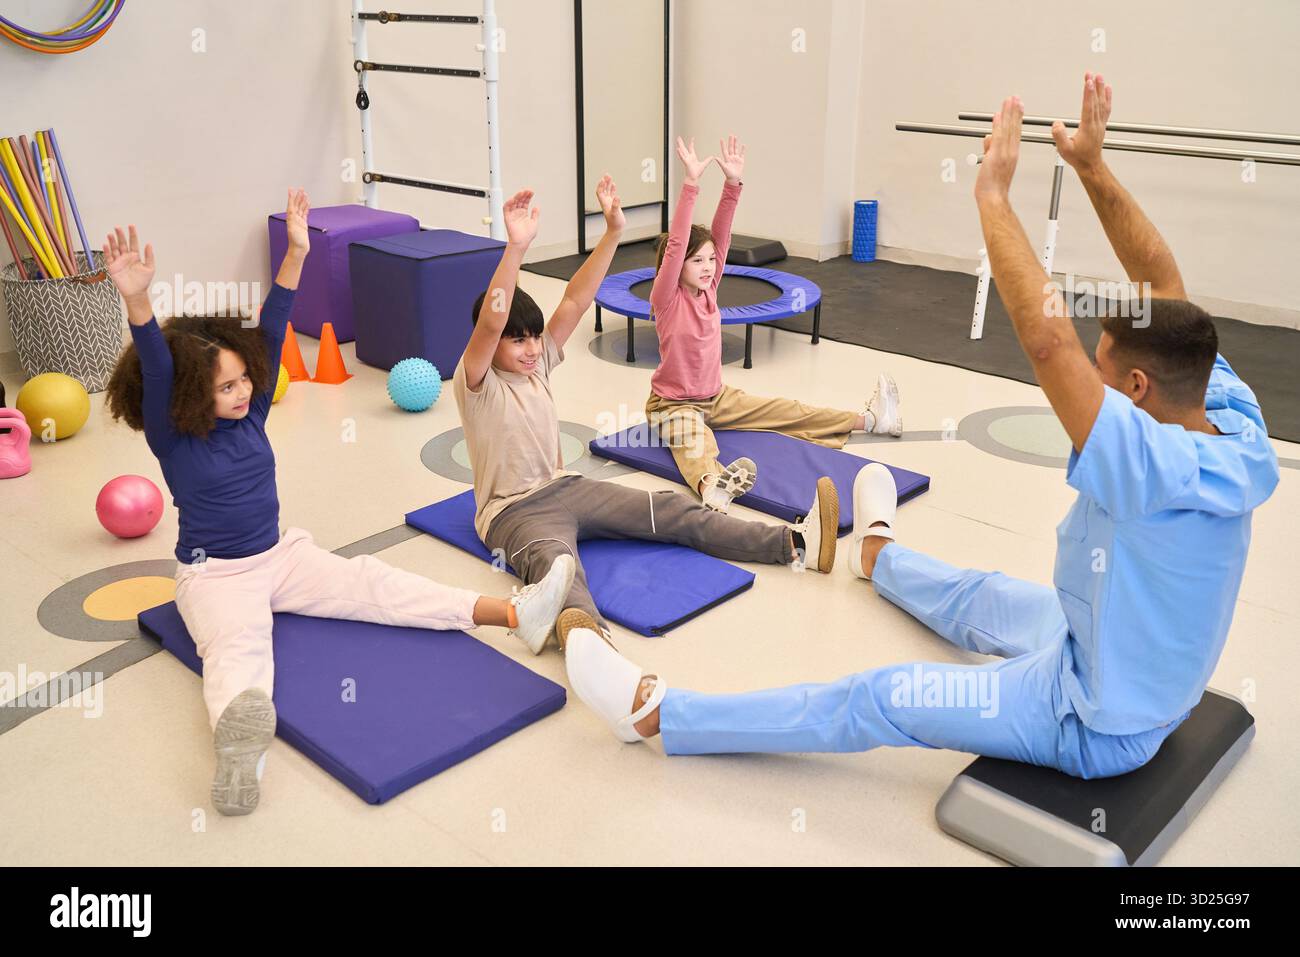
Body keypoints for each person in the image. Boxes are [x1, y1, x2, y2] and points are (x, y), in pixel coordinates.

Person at [565, 75, 1279, 780]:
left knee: (880, 697)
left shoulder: (1148, 458)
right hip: (1107, 642)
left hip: (1093, 712)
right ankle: (876, 553)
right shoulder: (1227, 413)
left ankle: (659, 716)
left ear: (1136, 386)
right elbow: (1164, 283)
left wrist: (993, 197)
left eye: (1104, 369)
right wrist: (1090, 167)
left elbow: (1049, 343)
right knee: (979, 594)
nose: (1091, 377)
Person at [103, 190, 574, 816]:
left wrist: (298, 251)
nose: (244, 391)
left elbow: (274, 326)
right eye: (227, 386)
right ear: (192, 393)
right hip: (215, 577)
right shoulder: (173, 435)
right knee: (239, 651)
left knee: (373, 584)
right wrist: (137, 299)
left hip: (279, 557)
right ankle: (240, 753)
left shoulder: (251, 415)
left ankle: (516, 614)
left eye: (245, 379)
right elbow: (158, 365)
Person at [453, 177, 840, 650]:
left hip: (565, 486)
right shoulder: (477, 382)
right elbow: (494, 318)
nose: (534, 349)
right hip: (512, 513)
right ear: (492, 345)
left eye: (536, 337)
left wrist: (614, 231)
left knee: (674, 509)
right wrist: (515, 248)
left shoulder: (539, 365)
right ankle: (587, 638)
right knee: (558, 565)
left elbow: (575, 299)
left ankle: (794, 543)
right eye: (519, 340)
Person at [644, 134, 902, 513]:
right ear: (676, 265)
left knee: (789, 410)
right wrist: (691, 184)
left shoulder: (710, 288)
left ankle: (872, 419)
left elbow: (722, 234)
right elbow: (679, 241)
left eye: (710, 261)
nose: (707, 268)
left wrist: (732, 185)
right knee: (694, 441)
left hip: (717, 397)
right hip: (672, 405)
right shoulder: (666, 297)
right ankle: (714, 486)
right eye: (696, 261)